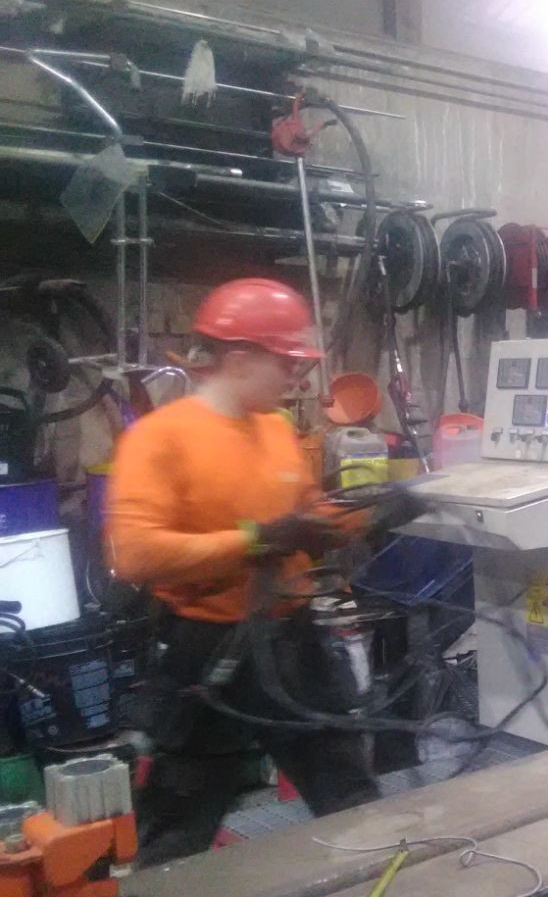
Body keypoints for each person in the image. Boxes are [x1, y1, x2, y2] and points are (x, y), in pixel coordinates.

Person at [107, 277, 380, 865]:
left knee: (348, 789)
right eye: (287, 362)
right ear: (238, 358)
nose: (296, 377)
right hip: (207, 651)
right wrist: (258, 539)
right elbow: (134, 553)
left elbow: (309, 515)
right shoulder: (160, 438)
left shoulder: (277, 429)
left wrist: (373, 511)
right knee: (180, 823)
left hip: (292, 639)